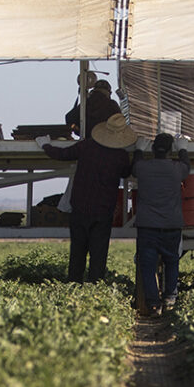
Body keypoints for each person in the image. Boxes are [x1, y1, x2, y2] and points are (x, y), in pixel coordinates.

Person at [39, 113, 136, 282]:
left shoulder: (87, 146)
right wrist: (139, 153)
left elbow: (63, 154)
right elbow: (127, 172)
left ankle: (74, 283)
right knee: (98, 254)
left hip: (80, 206)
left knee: (77, 252)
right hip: (103, 210)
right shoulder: (120, 155)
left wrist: (45, 145)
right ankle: (95, 286)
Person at [131, 133, 190, 317]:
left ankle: (154, 305)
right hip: (171, 224)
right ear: (171, 151)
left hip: (147, 226)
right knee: (172, 261)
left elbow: (134, 167)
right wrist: (183, 149)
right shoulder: (177, 169)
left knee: (147, 267)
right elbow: (187, 166)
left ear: (153, 149)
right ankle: (170, 299)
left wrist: (138, 150)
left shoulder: (143, 167)